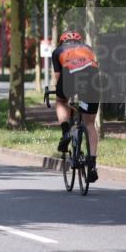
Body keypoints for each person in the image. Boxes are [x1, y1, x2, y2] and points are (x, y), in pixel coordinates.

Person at [51, 30, 100, 183]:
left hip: (69, 76)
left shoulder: (58, 51)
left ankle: (66, 132)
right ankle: (92, 164)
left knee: (61, 101)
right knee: (90, 123)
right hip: (92, 78)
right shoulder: (88, 49)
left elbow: (58, 79)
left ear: (61, 42)